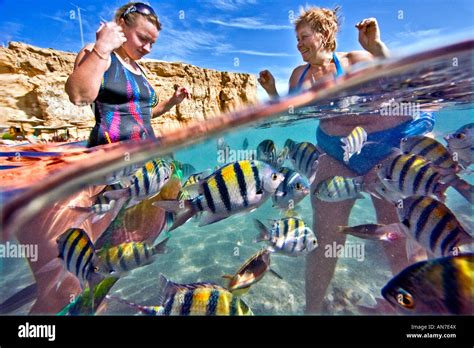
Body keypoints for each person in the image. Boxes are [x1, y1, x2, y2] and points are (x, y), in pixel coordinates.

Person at [258, 7, 434, 314]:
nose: (298, 44)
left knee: (395, 237)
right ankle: (312, 310)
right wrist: (273, 92)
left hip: (387, 148)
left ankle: (418, 315)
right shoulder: (298, 75)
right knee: (325, 239)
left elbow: (401, 76)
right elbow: (293, 111)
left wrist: (376, 47)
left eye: (304, 37)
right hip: (336, 152)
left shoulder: (356, 61)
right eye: (296, 38)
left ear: (324, 35)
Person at [66, 2, 191, 147]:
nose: (148, 48)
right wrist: (102, 48)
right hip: (112, 159)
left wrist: (172, 101)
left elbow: (144, 114)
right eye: (143, 38)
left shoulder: (139, 69)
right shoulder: (98, 54)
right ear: (122, 25)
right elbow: (79, 96)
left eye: (152, 43)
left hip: (147, 154)